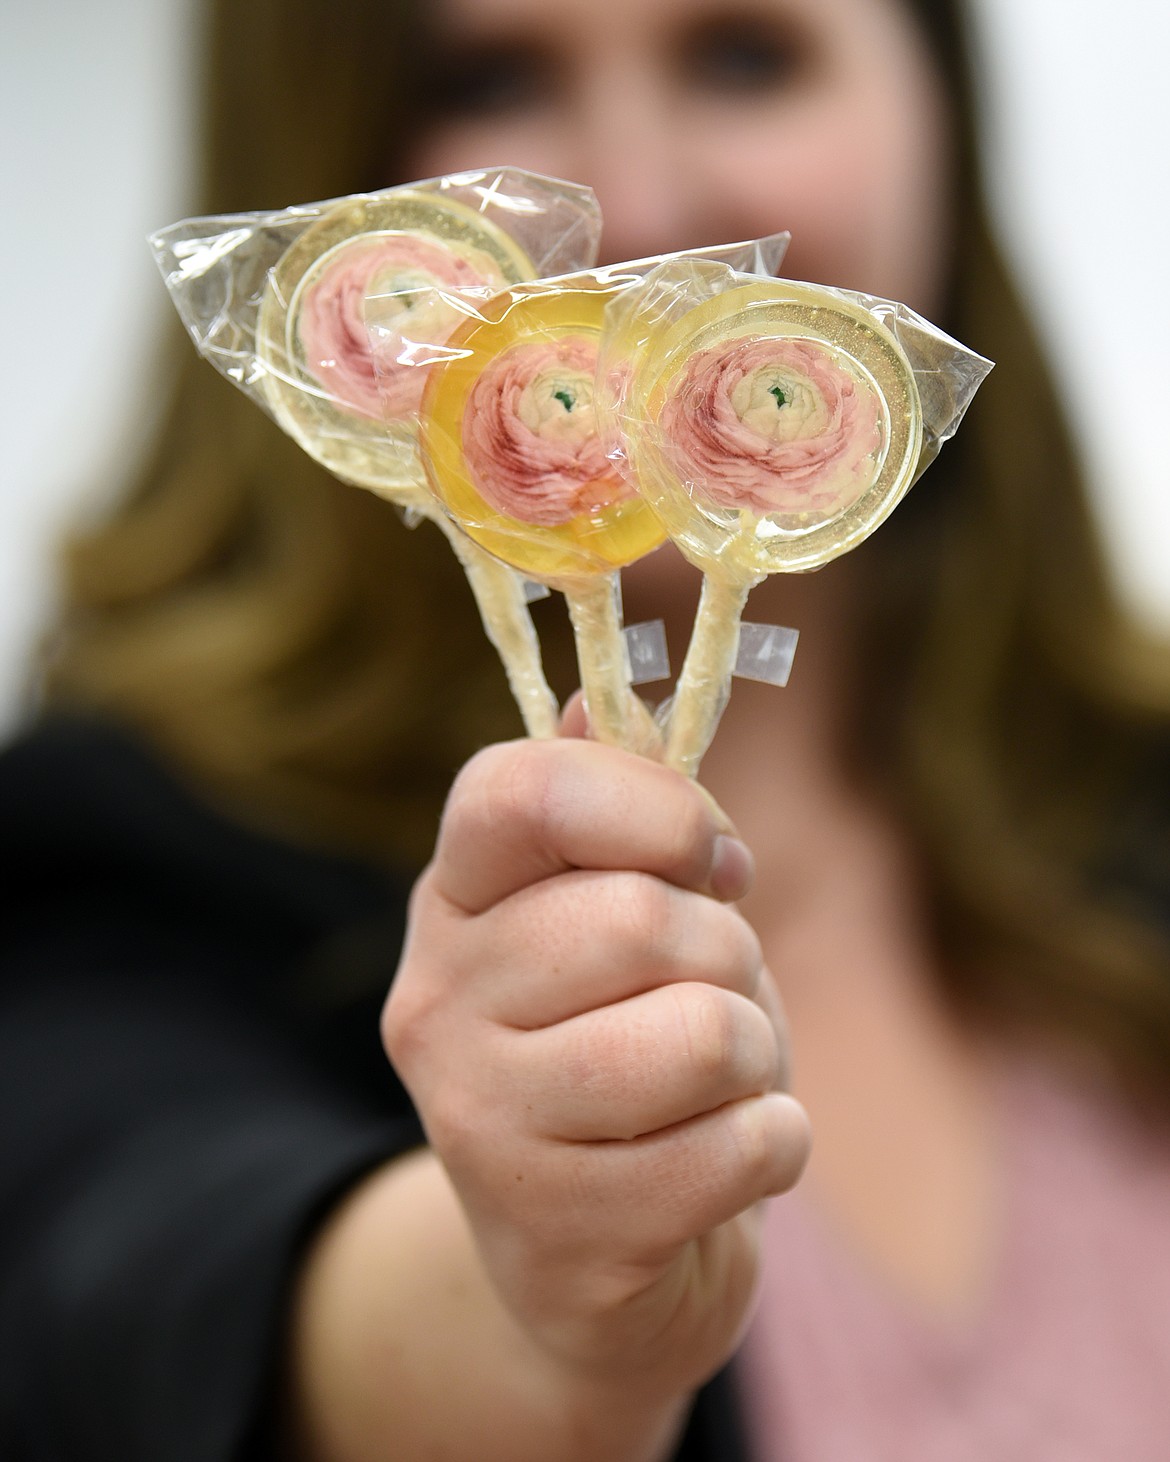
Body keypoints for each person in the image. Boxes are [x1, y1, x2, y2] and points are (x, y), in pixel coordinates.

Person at [2, 0, 1169, 1458]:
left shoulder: (1142, 792)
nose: (646, 202)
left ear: (936, 106)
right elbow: (129, 1263)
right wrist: (544, 1312)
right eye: (488, 79)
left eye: (745, 57)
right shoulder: (123, 857)